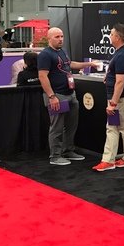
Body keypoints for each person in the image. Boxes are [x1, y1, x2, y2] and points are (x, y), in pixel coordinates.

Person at [38, 27, 100, 166]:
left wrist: (89, 64)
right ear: (49, 38)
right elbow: (42, 76)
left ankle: (68, 151)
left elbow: (70, 64)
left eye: (62, 36)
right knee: (57, 127)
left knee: (71, 125)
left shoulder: (62, 51)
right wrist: (51, 96)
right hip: (57, 95)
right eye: (57, 37)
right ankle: (55, 156)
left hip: (70, 94)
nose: (61, 39)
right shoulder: (45, 55)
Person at [92, 23, 124, 172]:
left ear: (118, 37)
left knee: (120, 128)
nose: (109, 36)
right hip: (120, 98)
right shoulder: (123, 51)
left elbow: (120, 81)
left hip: (121, 98)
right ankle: (117, 159)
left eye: (111, 34)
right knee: (116, 127)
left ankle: (122, 159)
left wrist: (113, 102)